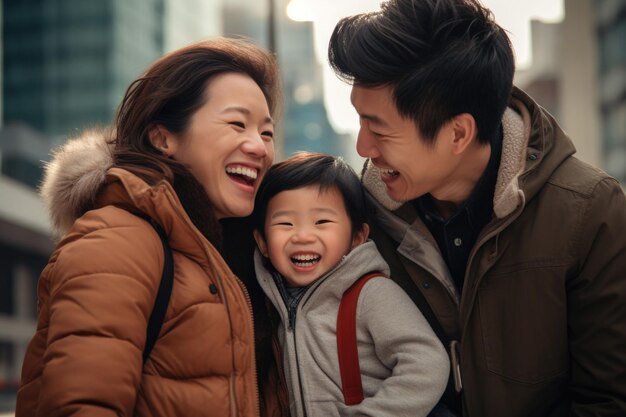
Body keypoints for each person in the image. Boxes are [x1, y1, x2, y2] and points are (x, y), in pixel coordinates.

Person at [327, 0, 626, 416]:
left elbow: (608, 401)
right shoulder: (359, 217)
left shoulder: (589, 210)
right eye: (359, 121)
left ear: (458, 132)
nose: (363, 148)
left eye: (379, 129)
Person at [16, 38, 286, 417]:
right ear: (163, 138)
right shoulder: (115, 239)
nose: (259, 147)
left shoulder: (244, 255)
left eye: (267, 133)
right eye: (237, 124)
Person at [251, 152, 450, 417]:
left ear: (357, 237)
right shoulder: (273, 306)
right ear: (263, 243)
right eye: (285, 223)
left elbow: (427, 362)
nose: (302, 236)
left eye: (322, 222)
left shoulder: (370, 293)